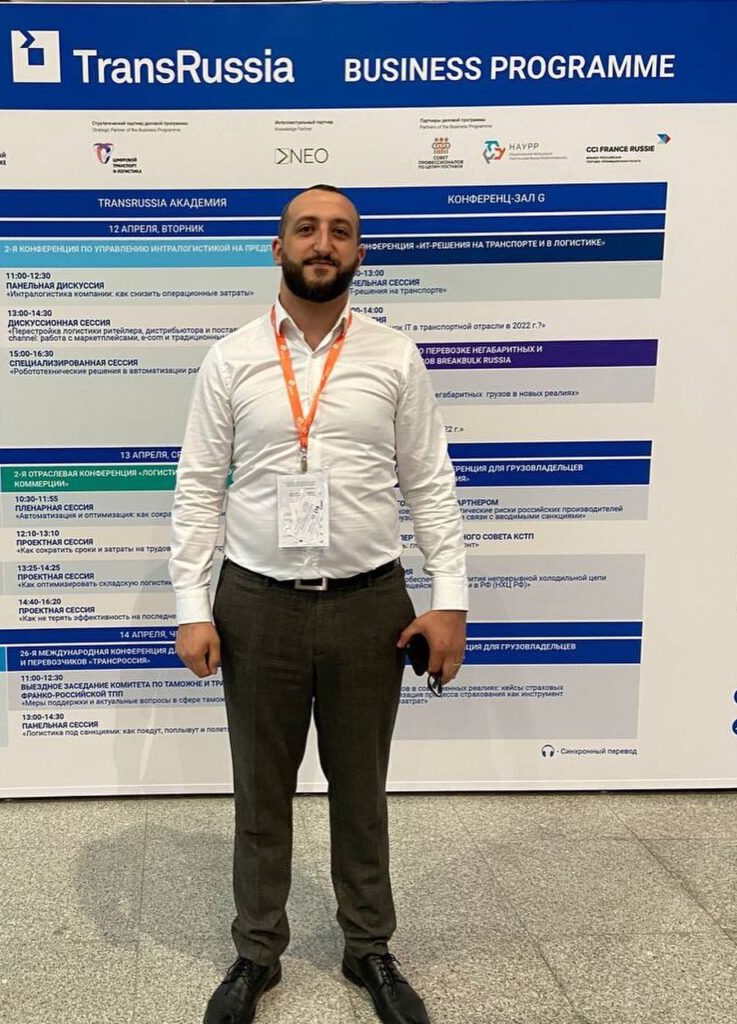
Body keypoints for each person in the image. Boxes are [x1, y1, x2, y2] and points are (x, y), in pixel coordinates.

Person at [170, 184, 468, 1024]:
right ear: (278, 248)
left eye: (340, 231)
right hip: (255, 604)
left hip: (371, 605)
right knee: (260, 792)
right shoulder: (231, 359)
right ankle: (256, 952)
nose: (323, 243)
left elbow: (431, 485)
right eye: (306, 228)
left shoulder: (393, 357)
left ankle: (368, 947)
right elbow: (198, 489)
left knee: (361, 790)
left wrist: (450, 599)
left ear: (359, 252)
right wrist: (192, 604)